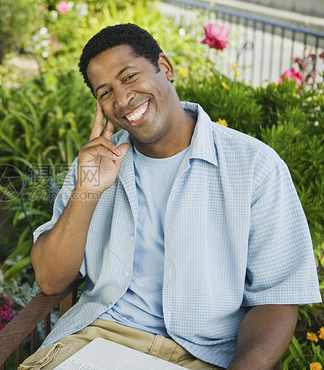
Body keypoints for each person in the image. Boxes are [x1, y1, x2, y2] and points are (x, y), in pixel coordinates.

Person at [20, 24, 321, 370]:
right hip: (97, 340)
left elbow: (277, 300)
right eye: (105, 92)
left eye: (129, 77)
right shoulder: (95, 164)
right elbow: (50, 279)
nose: (122, 99)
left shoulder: (254, 166)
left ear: (165, 67)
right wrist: (87, 190)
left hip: (201, 356)